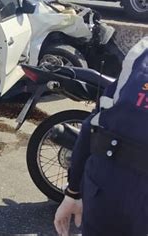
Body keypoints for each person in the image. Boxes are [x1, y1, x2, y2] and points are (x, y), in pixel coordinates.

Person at [54, 37, 148, 236]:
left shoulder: (142, 51)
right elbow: (95, 124)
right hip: (107, 190)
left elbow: (94, 123)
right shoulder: (141, 53)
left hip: (105, 189)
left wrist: (73, 192)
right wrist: (72, 192)